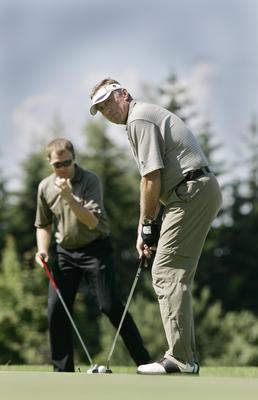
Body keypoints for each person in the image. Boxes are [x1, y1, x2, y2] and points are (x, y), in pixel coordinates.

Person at [89, 78, 222, 374]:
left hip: (190, 192)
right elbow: (156, 183)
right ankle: (185, 357)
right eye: (100, 108)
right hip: (189, 193)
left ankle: (181, 358)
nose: (107, 110)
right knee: (174, 272)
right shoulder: (140, 119)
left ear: (124, 94)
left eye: (109, 101)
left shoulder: (139, 118)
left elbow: (151, 177)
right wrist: (144, 228)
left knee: (166, 271)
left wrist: (149, 224)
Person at [35, 138, 150, 372]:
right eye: (58, 165)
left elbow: (91, 221)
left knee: (110, 306)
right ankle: (62, 370)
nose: (63, 168)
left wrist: (68, 197)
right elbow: (43, 224)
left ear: (74, 158)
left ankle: (144, 362)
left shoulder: (90, 180)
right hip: (65, 253)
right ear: (50, 163)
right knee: (57, 310)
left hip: (95, 249)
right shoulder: (45, 187)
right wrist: (43, 250)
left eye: (67, 162)